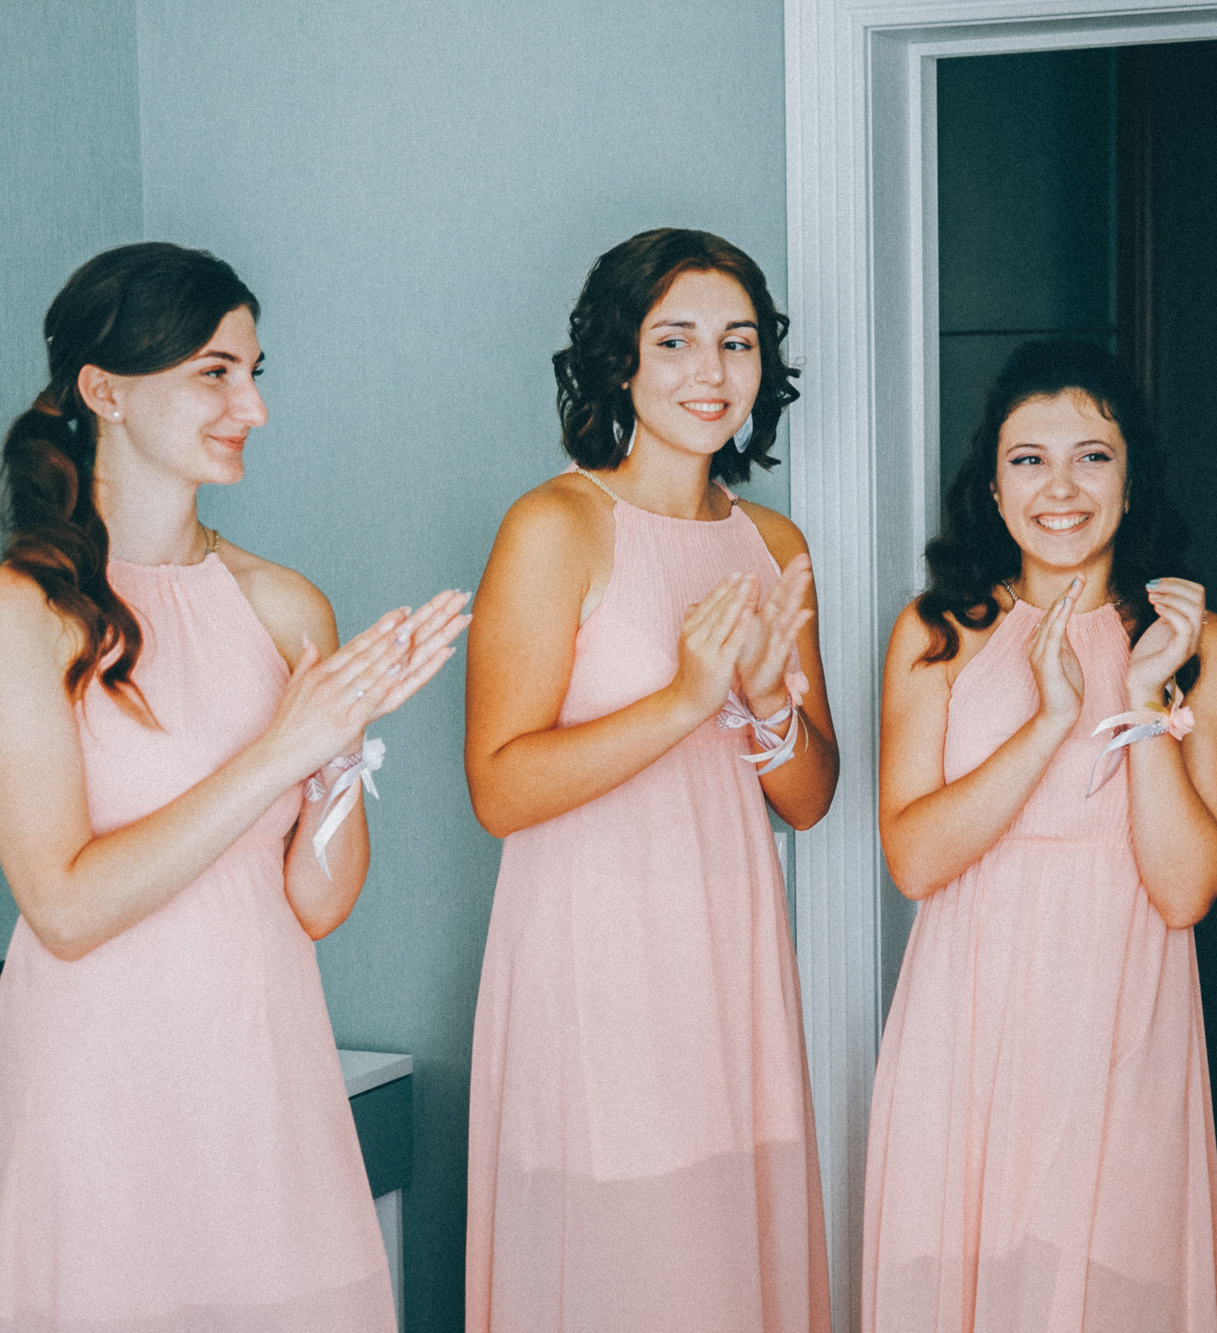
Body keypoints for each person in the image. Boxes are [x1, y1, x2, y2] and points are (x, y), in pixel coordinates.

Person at [0, 242, 469, 1330]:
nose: (249, 405)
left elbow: (314, 902)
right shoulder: (23, 613)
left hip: (263, 1065)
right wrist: (277, 750)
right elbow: (62, 908)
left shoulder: (284, 604)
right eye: (215, 371)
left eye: (254, 371)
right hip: (96, 1080)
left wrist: (340, 746)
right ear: (104, 391)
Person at [463, 228, 837, 1331]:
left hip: (729, 951)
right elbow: (499, 786)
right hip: (595, 960)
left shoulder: (772, 540)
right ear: (620, 360)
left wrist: (769, 705)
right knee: (629, 1267)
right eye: (673, 340)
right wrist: (683, 698)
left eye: (735, 342)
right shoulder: (555, 525)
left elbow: (808, 799)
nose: (709, 373)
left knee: (725, 1262)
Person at [862, 340, 1217, 1332]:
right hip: (967, 1026)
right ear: (990, 488)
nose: (1059, 486)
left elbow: (1183, 889)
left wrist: (1138, 693)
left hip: (1121, 1026)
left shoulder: (1203, 648)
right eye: (1027, 458)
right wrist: (1043, 723)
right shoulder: (936, 633)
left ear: (1131, 483)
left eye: (1092, 455)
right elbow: (915, 857)